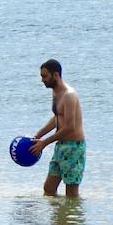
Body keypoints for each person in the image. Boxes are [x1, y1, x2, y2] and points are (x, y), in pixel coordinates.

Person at [30, 58, 86, 197]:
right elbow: (57, 117)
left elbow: (69, 127)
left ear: (56, 75)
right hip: (60, 146)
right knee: (49, 188)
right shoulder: (55, 92)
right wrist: (38, 135)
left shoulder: (69, 95)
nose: (42, 80)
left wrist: (44, 143)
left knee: (71, 194)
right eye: (41, 76)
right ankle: (58, 217)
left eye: (45, 76)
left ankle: (70, 218)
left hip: (74, 148)